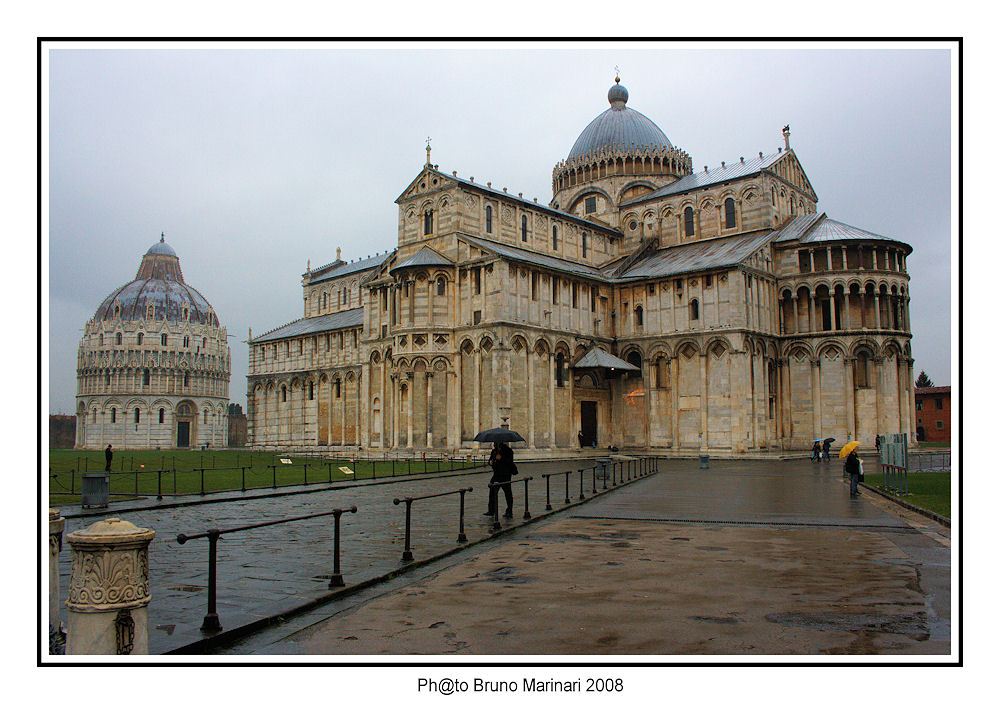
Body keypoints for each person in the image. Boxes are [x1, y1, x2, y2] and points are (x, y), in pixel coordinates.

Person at [486, 441, 515, 519]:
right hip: (496, 474)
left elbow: (510, 462)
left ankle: (509, 511)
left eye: (496, 443)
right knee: (492, 491)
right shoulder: (494, 451)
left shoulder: (508, 451)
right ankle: (491, 510)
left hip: (505, 475)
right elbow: (490, 460)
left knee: (507, 493)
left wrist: (501, 458)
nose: (495, 445)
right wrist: (490, 462)